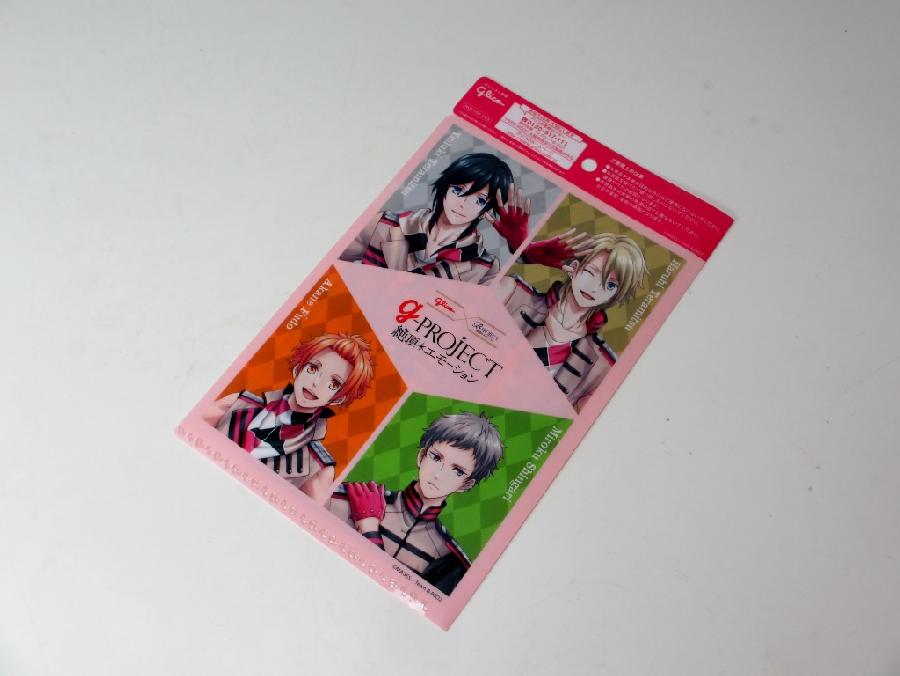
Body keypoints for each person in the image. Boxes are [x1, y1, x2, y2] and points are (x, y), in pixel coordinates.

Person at [326, 412, 504, 595]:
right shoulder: (350, 498)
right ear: (421, 456)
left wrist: (369, 528)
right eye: (436, 458)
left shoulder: (450, 560)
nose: (438, 474)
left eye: (458, 471)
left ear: (466, 485)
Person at [204, 333, 375, 503]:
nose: (316, 383)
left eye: (333, 384)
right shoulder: (238, 404)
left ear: (338, 398)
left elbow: (308, 515)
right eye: (313, 368)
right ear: (298, 368)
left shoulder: (317, 466)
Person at [496, 231, 648, 411]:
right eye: (591, 273)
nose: (595, 288)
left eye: (610, 284)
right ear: (575, 268)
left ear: (616, 294)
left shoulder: (602, 366)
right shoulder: (513, 293)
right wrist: (523, 255)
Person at [339, 153, 530, 284]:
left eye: (479, 200)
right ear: (445, 187)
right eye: (458, 190)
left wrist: (520, 249)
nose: (463, 203)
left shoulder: (484, 266)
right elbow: (335, 262)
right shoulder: (384, 223)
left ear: (487, 209)